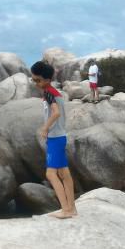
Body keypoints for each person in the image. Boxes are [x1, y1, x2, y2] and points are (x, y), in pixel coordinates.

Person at [30, 61, 77, 219]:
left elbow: (55, 113)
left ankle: (66, 209)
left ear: (47, 80)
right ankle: (72, 208)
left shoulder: (49, 92)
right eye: (33, 80)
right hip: (60, 136)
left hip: (55, 138)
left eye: (38, 80)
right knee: (64, 172)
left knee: (51, 174)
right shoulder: (55, 92)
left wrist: (45, 128)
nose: (36, 83)